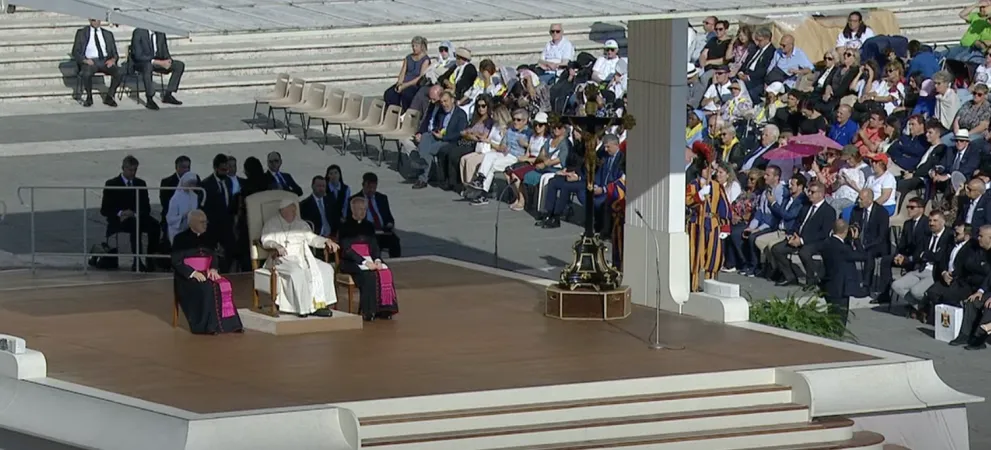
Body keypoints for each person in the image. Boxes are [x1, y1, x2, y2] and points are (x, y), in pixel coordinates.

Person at [260, 199, 340, 317]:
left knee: (326, 269)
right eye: (292, 210)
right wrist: (276, 246)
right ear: (283, 211)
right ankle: (302, 308)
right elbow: (266, 240)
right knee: (297, 272)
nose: (295, 212)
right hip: (281, 258)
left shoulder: (301, 224)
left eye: (295, 210)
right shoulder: (272, 224)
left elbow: (312, 238)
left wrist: (326, 241)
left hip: (303, 257)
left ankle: (320, 305)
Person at [171, 210, 243, 335]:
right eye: (202, 222)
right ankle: (207, 326)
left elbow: (213, 256)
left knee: (224, 285)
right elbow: (176, 261)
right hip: (187, 278)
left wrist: (213, 268)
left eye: (206, 222)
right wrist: (193, 273)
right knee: (207, 288)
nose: (205, 225)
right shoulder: (180, 239)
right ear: (192, 223)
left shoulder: (209, 237)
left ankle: (230, 325)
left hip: (207, 272)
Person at [339, 197, 400, 321]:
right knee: (369, 275)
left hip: (369, 258)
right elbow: (347, 249)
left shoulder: (369, 226)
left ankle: (385, 309)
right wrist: (364, 262)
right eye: (360, 209)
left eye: (364, 209)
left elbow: (374, 245)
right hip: (351, 260)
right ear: (353, 209)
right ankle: (369, 311)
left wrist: (377, 259)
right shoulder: (344, 227)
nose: (363, 212)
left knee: (385, 272)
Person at [129, 28, 185, 110]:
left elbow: (165, 50)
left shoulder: (160, 33)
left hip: (158, 62)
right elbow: (138, 55)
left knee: (179, 65)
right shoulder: (139, 32)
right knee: (148, 66)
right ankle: (149, 98)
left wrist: (168, 60)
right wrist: (157, 62)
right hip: (141, 63)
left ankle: (168, 95)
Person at [166, 171, 200, 243]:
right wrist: (183, 216)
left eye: (193, 183)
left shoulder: (195, 197)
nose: (192, 185)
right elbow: (170, 219)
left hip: (191, 229)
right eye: (190, 183)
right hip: (178, 230)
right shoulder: (175, 198)